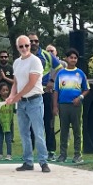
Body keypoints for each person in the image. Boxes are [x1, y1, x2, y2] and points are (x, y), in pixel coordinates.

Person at [6, 35, 50, 173]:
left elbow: (32, 83)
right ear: (17, 47)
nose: (24, 48)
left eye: (27, 45)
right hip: (22, 103)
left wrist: (17, 96)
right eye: (21, 46)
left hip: (34, 100)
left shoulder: (35, 61)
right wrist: (11, 96)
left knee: (38, 132)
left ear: (30, 46)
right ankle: (28, 161)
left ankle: (43, 162)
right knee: (24, 133)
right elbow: (16, 82)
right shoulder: (17, 62)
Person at [28, 32, 63, 161]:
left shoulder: (46, 55)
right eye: (31, 41)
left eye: (36, 41)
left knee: (48, 123)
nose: (33, 44)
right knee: (30, 123)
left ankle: (51, 151)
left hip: (45, 93)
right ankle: (29, 152)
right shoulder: (24, 56)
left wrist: (52, 81)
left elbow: (59, 68)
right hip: (30, 94)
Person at [53, 48, 90, 163]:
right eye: (71, 57)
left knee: (77, 130)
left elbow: (87, 88)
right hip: (63, 105)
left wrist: (80, 98)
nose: (73, 60)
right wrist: (55, 106)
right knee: (64, 131)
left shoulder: (80, 73)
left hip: (76, 106)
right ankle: (62, 155)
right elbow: (56, 90)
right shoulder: (61, 73)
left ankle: (77, 155)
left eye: (75, 58)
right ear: (66, 59)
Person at [0, 82, 14, 160]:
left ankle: (9, 155)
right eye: (3, 90)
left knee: (8, 139)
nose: (5, 92)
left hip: (9, 123)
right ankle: (0, 154)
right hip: (0, 123)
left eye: (7, 90)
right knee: (0, 139)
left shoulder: (11, 101)